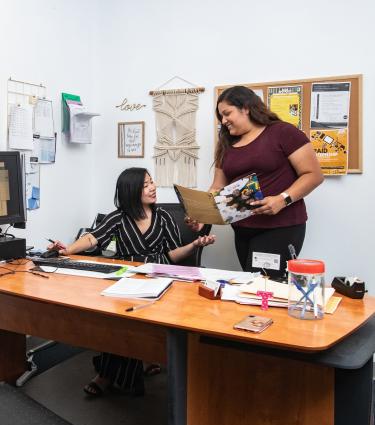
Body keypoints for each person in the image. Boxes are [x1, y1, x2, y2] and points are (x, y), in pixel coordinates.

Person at [48, 167, 215, 397]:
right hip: (128, 277)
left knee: (140, 321)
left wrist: (195, 245)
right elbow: (91, 238)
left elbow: (173, 255)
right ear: (131, 190)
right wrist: (68, 250)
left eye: (152, 182)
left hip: (159, 276)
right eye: (146, 184)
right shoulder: (117, 217)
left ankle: (106, 375)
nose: (153, 187)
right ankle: (133, 364)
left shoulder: (164, 217)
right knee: (121, 321)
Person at [189, 85, 323, 278]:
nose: (224, 121)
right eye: (221, 117)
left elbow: (313, 175)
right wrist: (202, 215)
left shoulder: (283, 132)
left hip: (280, 227)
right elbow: (218, 186)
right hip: (243, 230)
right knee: (252, 286)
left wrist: (283, 199)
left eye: (227, 113)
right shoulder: (226, 144)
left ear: (246, 107)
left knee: (265, 286)